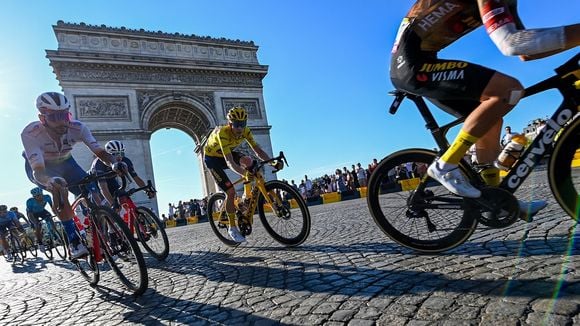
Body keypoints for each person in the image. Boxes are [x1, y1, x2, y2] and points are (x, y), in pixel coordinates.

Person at [390, 1, 579, 221]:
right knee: (509, 89)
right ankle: (445, 165)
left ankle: (496, 198)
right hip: (413, 66)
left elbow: (525, 51)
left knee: (492, 118)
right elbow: (510, 43)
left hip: (421, 62)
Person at [21, 92, 122, 258]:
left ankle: (98, 228)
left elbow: (100, 152)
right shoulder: (30, 133)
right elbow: (38, 170)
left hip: (66, 162)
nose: (62, 122)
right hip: (42, 168)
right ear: (42, 118)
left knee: (92, 189)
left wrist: (114, 163)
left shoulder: (78, 127)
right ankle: (73, 240)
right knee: (59, 188)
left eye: (65, 115)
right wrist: (49, 181)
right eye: (55, 117)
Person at [203, 107, 282, 243]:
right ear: (230, 124)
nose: (240, 128)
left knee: (249, 161)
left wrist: (272, 163)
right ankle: (232, 228)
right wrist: (244, 173)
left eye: (243, 124)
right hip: (212, 159)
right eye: (237, 125)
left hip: (225, 153)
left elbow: (257, 149)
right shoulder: (223, 133)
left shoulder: (246, 130)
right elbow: (229, 162)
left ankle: (246, 197)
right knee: (231, 192)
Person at [90, 140, 155, 208]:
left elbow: (136, 178)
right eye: (115, 154)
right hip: (96, 182)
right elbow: (103, 188)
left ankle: (134, 216)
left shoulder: (125, 160)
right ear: (108, 155)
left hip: (111, 180)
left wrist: (147, 190)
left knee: (124, 199)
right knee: (109, 206)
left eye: (121, 154)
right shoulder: (99, 164)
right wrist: (113, 204)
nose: (119, 157)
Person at [25, 187, 57, 252]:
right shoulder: (30, 201)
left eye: (41, 195)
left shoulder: (47, 197)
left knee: (50, 219)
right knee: (37, 226)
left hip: (42, 211)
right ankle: (40, 242)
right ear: (34, 196)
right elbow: (30, 214)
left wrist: (56, 214)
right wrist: (35, 222)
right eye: (37, 196)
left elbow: (53, 207)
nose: (40, 197)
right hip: (32, 214)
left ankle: (54, 235)